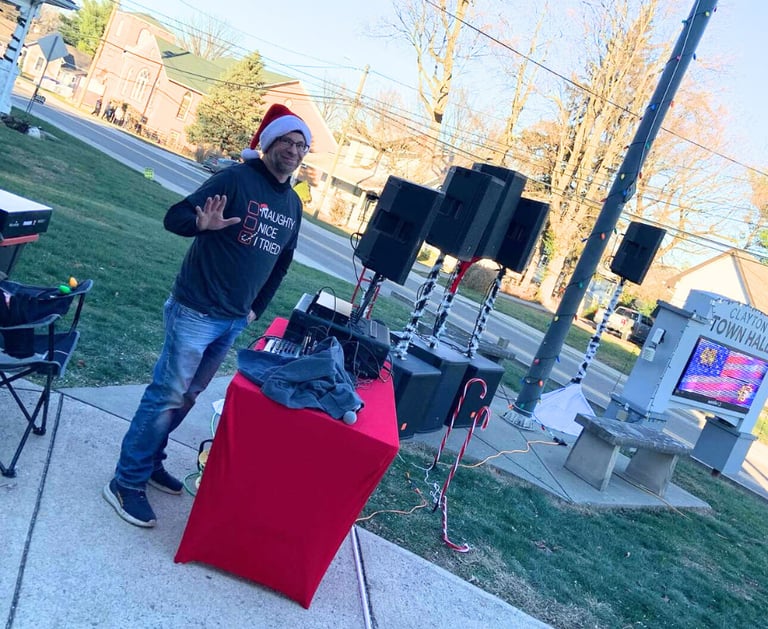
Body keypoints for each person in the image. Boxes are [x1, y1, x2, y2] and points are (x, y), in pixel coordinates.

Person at [103, 103, 312, 528]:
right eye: (286, 141)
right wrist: (201, 225)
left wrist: (255, 309)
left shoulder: (293, 203)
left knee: (188, 396)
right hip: (196, 310)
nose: (293, 150)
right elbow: (175, 217)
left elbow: (282, 263)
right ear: (269, 143)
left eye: (300, 145)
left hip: (233, 318)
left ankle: (149, 459)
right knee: (167, 394)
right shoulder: (234, 179)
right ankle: (125, 481)